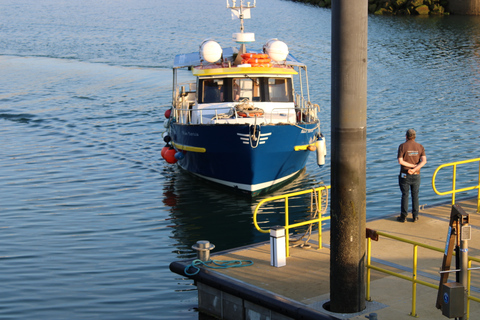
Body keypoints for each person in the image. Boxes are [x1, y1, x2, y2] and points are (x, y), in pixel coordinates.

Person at [396, 129, 427, 223]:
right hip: (416, 174)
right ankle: (415, 216)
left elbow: (400, 161)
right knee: (415, 195)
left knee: (405, 195)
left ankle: (403, 216)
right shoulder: (420, 146)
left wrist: (411, 167)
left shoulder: (402, 146)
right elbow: (424, 161)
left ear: (406, 136)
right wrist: (415, 168)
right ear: (415, 137)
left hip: (405, 174)